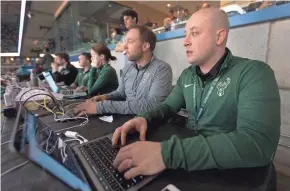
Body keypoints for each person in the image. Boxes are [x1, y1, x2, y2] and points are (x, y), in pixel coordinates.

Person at [111, 8, 281, 180]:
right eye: (185, 34)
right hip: (189, 167)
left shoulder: (254, 73)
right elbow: (168, 107)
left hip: (230, 175)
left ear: (219, 37)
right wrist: (144, 118)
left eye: (195, 33)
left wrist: (166, 154)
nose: (185, 42)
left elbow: (258, 144)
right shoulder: (187, 75)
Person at [74, 25, 173, 116]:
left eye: (130, 42)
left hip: (149, 125)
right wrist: (105, 97)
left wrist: (102, 107)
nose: (125, 47)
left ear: (145, 46)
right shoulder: (127, 69)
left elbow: (152, 106)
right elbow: (121, 93)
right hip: (125, 119)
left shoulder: (162, 69)